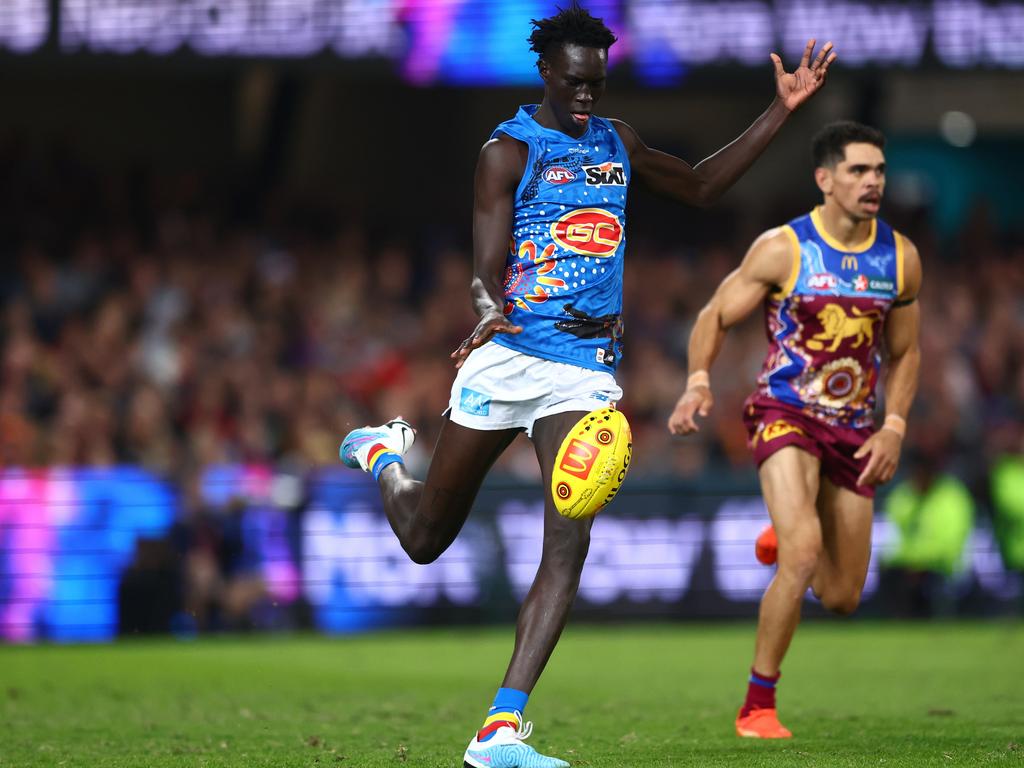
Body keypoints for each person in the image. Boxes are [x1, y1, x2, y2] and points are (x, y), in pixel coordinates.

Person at [342, 5, 835, 766]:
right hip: (509, 355)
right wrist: (484, 308)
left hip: (582, 372)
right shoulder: (506, 151)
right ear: (545, 71)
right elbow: (483, 263)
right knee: (423, 540)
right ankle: (383, 456)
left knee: (569, 537)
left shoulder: (618, 140)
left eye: (596, 83)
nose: (585, 97)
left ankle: (499, 729)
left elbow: (702, 186)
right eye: (574, 82)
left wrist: (782, 108)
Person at [668, 120, 922, 739]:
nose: (872, 182)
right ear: (825, 179)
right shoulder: (784, 249)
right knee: (807, 551)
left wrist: (893, 425)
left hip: (856, 429)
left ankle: (785, 535)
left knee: (840, 595)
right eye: (859, 170)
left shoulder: (900, 258)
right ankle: (757, 706)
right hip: (786, 413)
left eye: (879, 170)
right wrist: (698, 378)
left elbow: (907, 352)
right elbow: (716, 312)